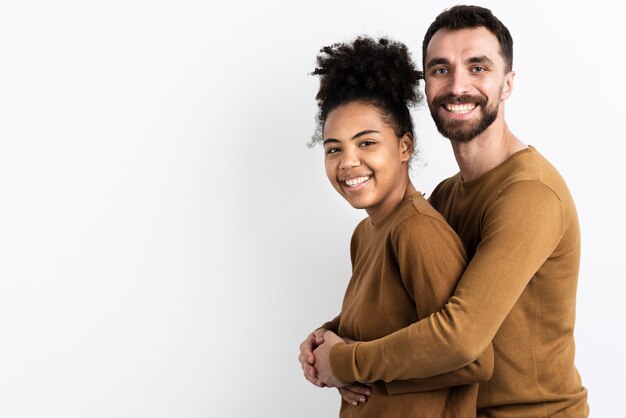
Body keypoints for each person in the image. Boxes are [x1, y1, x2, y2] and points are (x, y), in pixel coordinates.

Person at [300, 5, 590, 417]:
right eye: (440, 69)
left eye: (477, 68)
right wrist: (327, 337)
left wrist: (346, 361)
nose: (457, 85)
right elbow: (400, 299)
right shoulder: (447, 195)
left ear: (507, 83)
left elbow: (461, 338)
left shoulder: (531, 194)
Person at [302, 36, 494, 417]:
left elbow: (471, 360)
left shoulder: (418, 232)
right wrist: (326, 338)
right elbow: (387, 322)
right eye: (334, 148)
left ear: (404, 146)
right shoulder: (365, 234)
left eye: (367, 143)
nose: (348, 162)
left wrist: (347, 363)